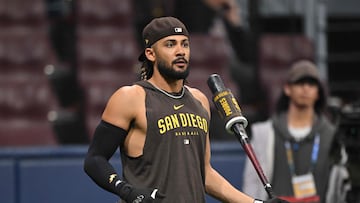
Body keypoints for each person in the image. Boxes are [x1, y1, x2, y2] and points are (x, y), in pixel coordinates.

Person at [83, 16, 288, 203]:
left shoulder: (199, 101)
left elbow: (205, 175)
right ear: (150, 53)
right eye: (170, 44)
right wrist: (126, 191)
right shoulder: (131, 97)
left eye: (185, 44)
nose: (180, 51)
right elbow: (94, 160)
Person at [242, 60, 336, 203]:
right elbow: (251, 184)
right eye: (299, 83)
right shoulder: (264, 133)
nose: (305, 88)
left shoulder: (332, 136)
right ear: (287, 88)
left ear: (318, 92)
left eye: (311, 84)